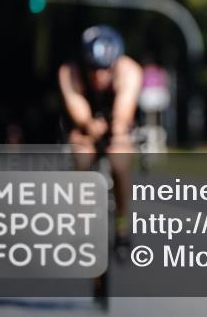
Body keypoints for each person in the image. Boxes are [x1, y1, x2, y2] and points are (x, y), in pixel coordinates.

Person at [59, 24, 143, 249]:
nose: (99, 75)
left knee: (120, 158)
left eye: (105, 68)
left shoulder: (130, 70)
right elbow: (76, 106)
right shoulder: (70, 71)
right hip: (84, 125)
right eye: (93, 68)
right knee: (82, 156)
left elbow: (125, 108)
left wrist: (116, 127)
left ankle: (122, 222)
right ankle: (80, 219)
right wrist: (87, 124)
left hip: (117, 123)